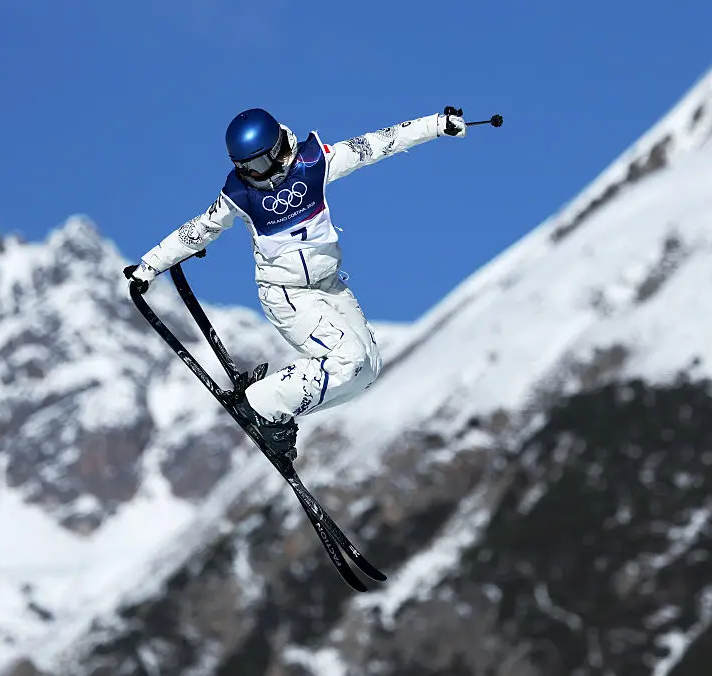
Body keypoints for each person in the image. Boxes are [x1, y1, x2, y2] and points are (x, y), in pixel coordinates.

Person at [124, 106, 468, 461]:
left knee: (366, 370)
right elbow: (199, 229)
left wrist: (436, 125)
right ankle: (261, 402)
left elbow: (376, 145)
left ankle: (274, 408)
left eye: (258, 165)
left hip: (328, 284)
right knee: (346, 360)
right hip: (287, 294)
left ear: (277, 150)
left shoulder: (314, 163)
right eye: (244, 168)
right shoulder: (239, 196)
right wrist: (149, 266)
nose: (253, 175)